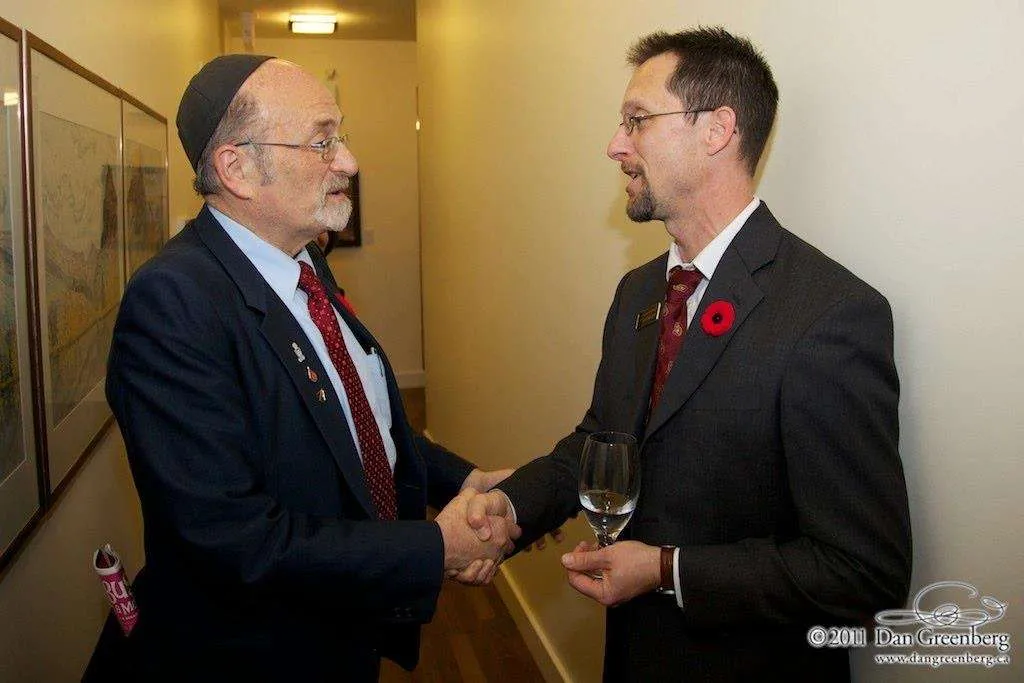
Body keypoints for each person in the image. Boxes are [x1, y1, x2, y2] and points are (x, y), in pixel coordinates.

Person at [467, 27, 912, 682]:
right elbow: (602, 440)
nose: (615, 145)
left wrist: (665, 569)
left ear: (717, 130)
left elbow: (863, 570)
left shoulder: (829, 315)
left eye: (637, 120)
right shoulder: (640, 290)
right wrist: (512, 506)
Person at [87, 54, 517, 682]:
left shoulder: (303, 260)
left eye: (340, 137)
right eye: (322, 142)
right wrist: (437, 546)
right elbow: (232, 538)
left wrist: (463, 481)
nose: (349, 162)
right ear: (237, 168)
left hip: (340, 635)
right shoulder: (173, 304)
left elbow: (353, 420)